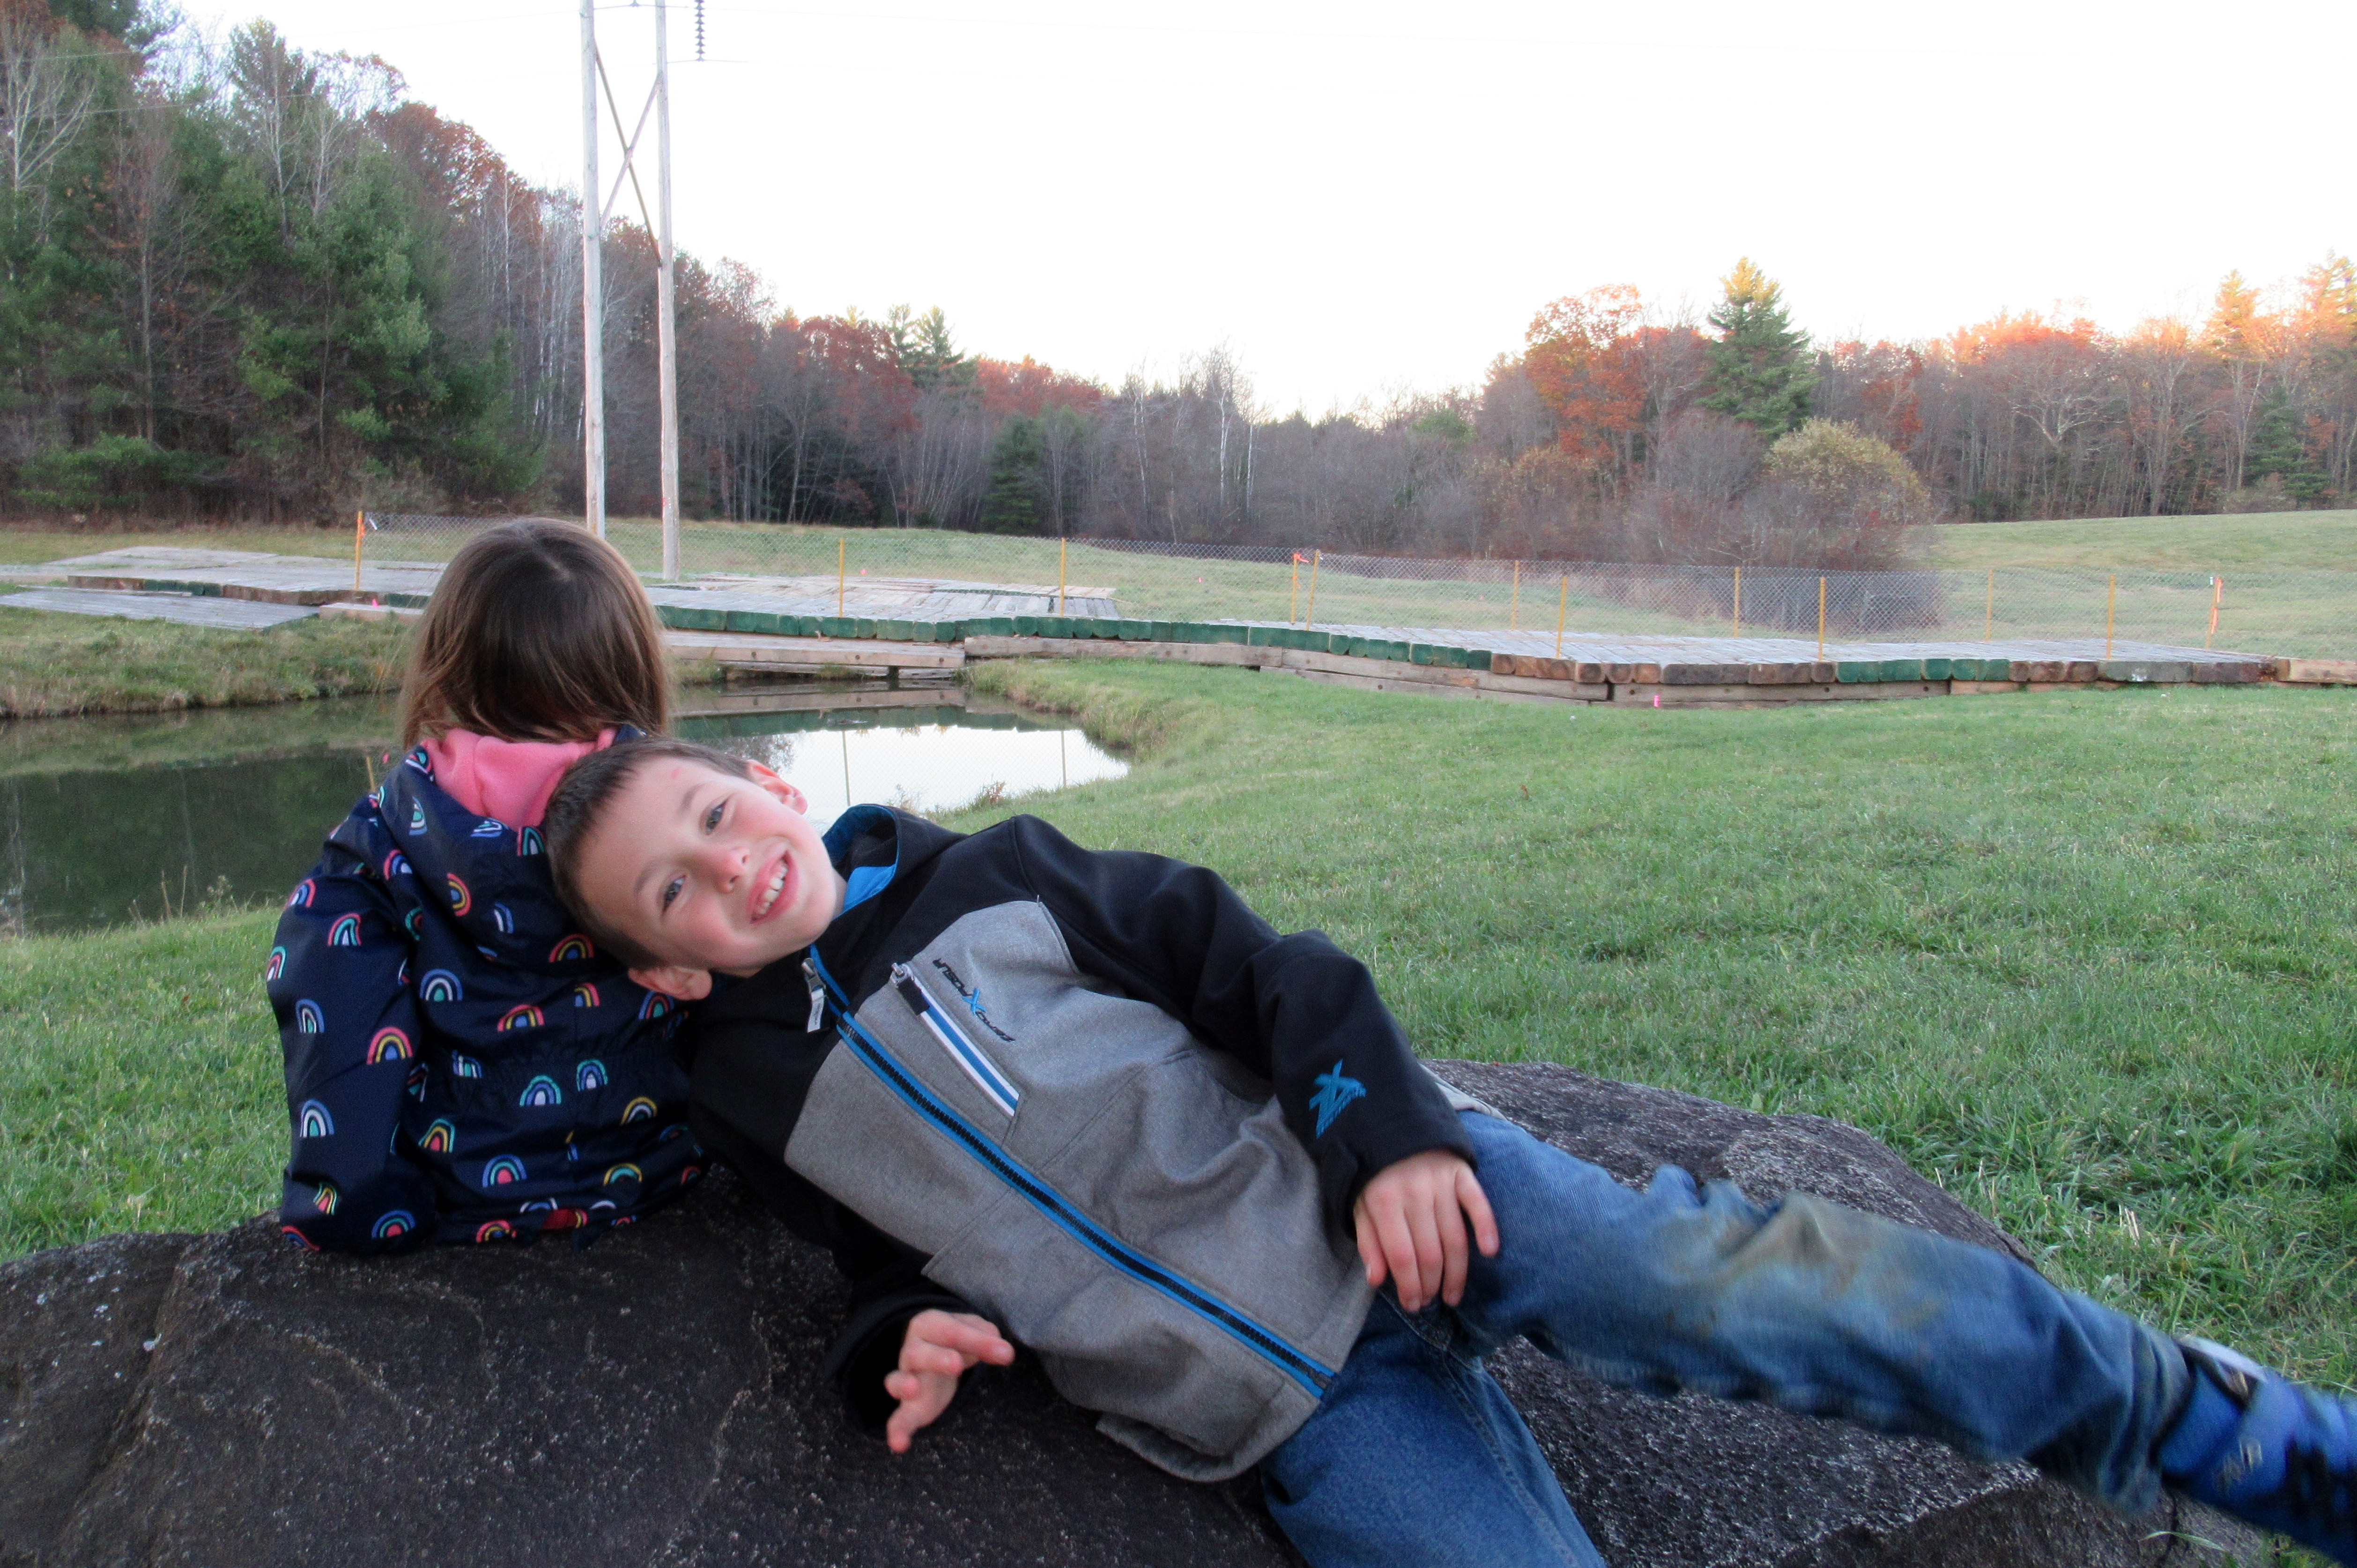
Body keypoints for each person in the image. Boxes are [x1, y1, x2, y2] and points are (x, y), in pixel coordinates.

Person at [540, 736, 2357, 1568]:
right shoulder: (748, 1097)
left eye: (713, 810)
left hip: (1415, 1208)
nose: (725, 866)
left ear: (772, 778)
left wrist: (1394, 1138)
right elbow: (878, 1252)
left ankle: (2192, 1418)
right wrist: (903, 1339)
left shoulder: (1000, 873)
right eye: (672, 890)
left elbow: (1267, 971)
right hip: (1294, 1404)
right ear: (661, 967)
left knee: (1721, 1286)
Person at [268, 520, 703, 1254]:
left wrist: (361, 1218)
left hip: (462, 1202)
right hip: (665, 1174)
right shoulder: (693, 819)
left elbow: (338, 1035)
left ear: (445, 671)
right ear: (634, 669)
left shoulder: (378, 849)